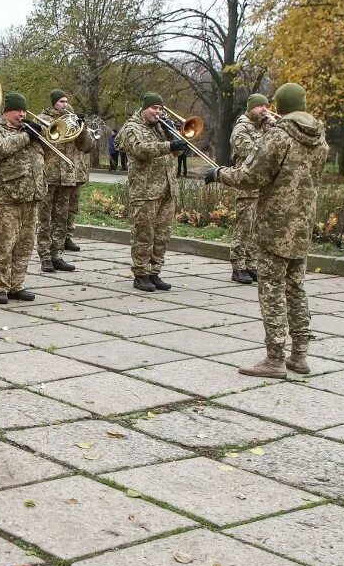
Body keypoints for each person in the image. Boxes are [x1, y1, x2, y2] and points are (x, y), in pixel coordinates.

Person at [204, 82, 328, 377]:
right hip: (302, 223)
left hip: (275, 223)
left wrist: (219, 174)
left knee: (271, 290)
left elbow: (252, 175)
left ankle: (274, 359)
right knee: (296, 287)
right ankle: (300, 355)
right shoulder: (320, 138)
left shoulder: (279, 136)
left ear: (281, 106)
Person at [0, 92, 47, 303]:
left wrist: (39, 135)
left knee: (25, 245)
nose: (22, 114)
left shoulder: (28, 130)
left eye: (24, 110)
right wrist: (27, 136)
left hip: (31, 196)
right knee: (4, 245)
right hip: (6, 197)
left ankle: (16, 285)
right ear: (7, 111)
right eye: (18, 110)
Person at [116, 94, 186, 291]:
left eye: (161, 108)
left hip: (166, 189)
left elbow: (177, 152)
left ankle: (155, 272)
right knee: (143, 234)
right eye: (154, 108)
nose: (158, 112)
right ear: (144, 108)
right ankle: (141, 274)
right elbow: (140, 150)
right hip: (145, 190)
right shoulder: (132, 127)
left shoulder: (160, 127)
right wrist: (169, 145)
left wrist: (174, 136)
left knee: (162, 234)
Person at [37, 90, 94, 273]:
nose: (64, 104)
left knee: (61, 219)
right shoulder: (40, 119)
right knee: (45, 218)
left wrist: (82, 127)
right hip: (48, 175)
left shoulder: (71, 120)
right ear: (54, 102)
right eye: (61, 101)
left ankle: (57, 255)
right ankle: (45, 256)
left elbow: (86, 146)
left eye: (66, 101)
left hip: (68, 176)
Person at [227, 93, 271, 283]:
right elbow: (253, 153)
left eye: (267, 106)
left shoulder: (263, 127)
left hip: (262, 185)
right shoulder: (241, 128)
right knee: (244, 226)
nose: (265, 110)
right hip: (246, 185)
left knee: (257, 228)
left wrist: (271, 131)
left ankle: (251, 264)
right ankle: (238, 266)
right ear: (251, 108)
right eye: (260, 106)